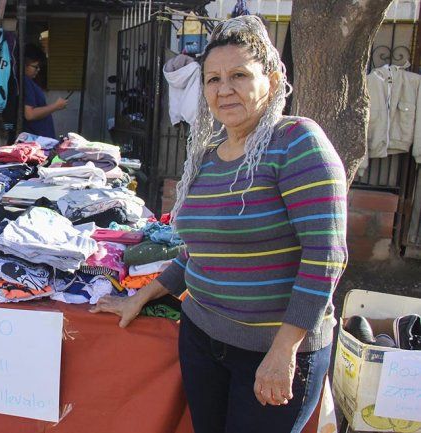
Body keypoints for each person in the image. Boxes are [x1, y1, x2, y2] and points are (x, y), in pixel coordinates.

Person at [91, 15, 347, 433]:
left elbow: (326, 258)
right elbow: (198, 252)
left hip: (272, 352)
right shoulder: (209, 153)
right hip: (203, 340)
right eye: (213, 79)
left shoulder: (297, 142)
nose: (224, 89)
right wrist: (141, 296)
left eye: (239, 75)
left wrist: (284, 350)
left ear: (272, 80)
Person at [22, 45, 67, 139]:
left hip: (40, 139)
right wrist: (56, 106)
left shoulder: (30, 82)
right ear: (25, 64)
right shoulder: (26, 82)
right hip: (36, 141)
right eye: (35, 67)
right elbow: (29, 114)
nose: (38, 70)